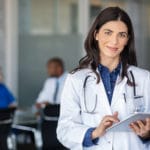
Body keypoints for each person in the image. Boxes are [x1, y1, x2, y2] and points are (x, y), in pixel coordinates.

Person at [57, 6, 150, 150]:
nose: (114, 41)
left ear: (127, 40)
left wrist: (146, 134)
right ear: (96, 34)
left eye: (122, 35)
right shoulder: (76, 79)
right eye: (108, 32)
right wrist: (94, 133)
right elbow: (64, 130)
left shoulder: (144, 79)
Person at [35, 57, 67, 150]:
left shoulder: (71, 80)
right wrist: (41, 104)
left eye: (50, 68)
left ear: (59, 68)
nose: (48, 71)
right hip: (49, 120)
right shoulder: (49, 81)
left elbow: (70, 103)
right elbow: (39, 101)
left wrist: (51, 105)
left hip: (63, 119)